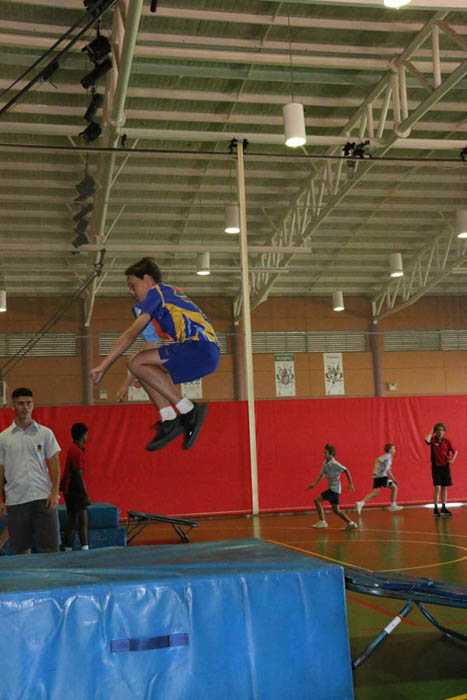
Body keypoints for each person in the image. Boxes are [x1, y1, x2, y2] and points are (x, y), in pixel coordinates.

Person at [90, 257, 220, 452]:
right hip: (204, 354)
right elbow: (146, 352)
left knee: (136, 363)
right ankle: (169, 419)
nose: (131, 292)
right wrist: (127, 382)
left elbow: (130, 334)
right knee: (139, 366)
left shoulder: (157, 292)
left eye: (133, 285)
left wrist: (103, 366)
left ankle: (189, 410)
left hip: (199, 348)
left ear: (148, 280)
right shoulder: (159, 307)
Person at [0, 387, 61, 555]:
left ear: (33, 405)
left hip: (43, 498)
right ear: (13, 406)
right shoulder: (3, 438)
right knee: (21, 551)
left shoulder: (45, 433)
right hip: (16, 500)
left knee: (52, 548)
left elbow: (54, 463)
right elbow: (0, 470)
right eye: (21, 403)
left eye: (29, 403)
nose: (25, 407)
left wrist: (54, 493)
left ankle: (54, 574)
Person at [306, 443, 358, 531]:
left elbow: (346, 471)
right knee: (336, 510)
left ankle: (322, 521)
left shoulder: (335, 464)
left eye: (325, 453)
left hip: (334, 490)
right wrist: (313, 484)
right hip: (333, 489)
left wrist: (350, 483)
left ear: (331, 454)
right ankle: (351, 523)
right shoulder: (325, 463)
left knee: (317, 500)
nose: (323, 454)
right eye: (323, 452)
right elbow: (321, 475)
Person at [60, 422, 91, 551]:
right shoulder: (76, 451)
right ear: (83, 435)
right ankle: (83, 548)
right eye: (87, 434)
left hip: (70, 488)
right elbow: (78, 474)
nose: (87, 437)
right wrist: (85, 495)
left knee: (74, 520)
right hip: (73, 489)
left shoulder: (74, 449)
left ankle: (69, 548)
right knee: (81, 521)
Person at [355, 443, 402, 515]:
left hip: (377, 477)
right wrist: (375, 471)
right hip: (381, 477)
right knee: (394, 488)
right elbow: (377, 460)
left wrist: (393, 479)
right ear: (389, 450)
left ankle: (361, 503)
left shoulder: (389, 458)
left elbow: (388, 470)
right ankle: (393, 505)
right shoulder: (387, 456)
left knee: (374, 493)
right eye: (393, 448)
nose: (394, 450)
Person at [425, 422, 457, 517]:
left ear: (444, 431)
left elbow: (455, 451)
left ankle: (443, 508)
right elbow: (426, 440)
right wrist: (431, 431)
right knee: (437, 487)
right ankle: (435, 508)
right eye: (438, 430)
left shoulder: (447, 441)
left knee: (444, 487)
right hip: (436, 467)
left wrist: (452, 460)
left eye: (442, 430)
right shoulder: (432, 440)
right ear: (436, 431)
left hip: (445, 467)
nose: (440, 432)